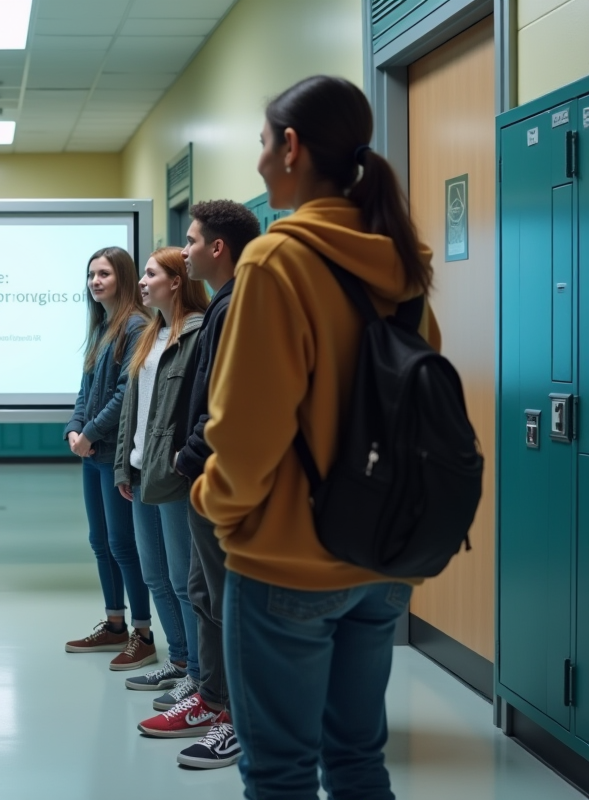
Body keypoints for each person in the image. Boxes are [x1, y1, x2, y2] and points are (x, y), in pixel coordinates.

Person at [191, 75, 440, 800]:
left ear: (292, 148)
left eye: (264, 143)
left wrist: (215, 504)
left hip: (288, 561)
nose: (260, 159)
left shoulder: (277, 260)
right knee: (358, 762)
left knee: (282, 774)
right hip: (383, 557)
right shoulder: (401, 264)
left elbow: (246, 428)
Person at [167, 199, 260, 769]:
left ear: (218, 247)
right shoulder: (225, 303)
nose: (184, 251)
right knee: (204, 594)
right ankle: (213, 699)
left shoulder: (237, 307)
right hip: (207, 476)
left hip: (221, 476)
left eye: (192, 240)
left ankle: (239, 720)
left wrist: (191, 453)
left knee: (229, 603)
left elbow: (232, 397)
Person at [112, 249, 210, 725]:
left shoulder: (198, 333)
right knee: (155, 576)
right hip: (140, 469)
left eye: (150, 273)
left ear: (175, 282)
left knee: (183, 580)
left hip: (172, 476)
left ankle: (198, 673)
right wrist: (122, 466)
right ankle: (179, 659)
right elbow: (132, 410)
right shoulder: (151, 333)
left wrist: (178, 460)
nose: (142, 281)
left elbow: (198, 410)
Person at [63, 247, 152, 666]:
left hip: (114, 454)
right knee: (100, 542)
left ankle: (143, 633)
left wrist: (89, 433)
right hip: (92, 452)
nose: (95, 281)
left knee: (122, 545)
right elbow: (85, 391)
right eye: (91, 275)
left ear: (124, 278)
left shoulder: (136, 326)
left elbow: (125, 393)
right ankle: (115, 625)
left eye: (104, 274)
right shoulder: (102, 326)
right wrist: (74, 428)